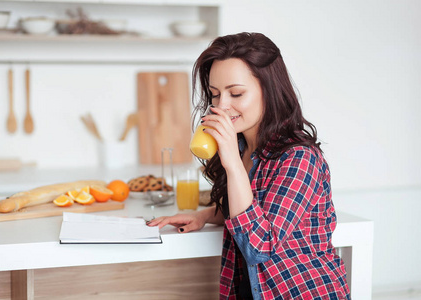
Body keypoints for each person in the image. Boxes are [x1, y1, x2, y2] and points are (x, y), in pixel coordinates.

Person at [147, 32, 350, 300]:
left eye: (236, 93)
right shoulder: (243, 147)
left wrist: (231, 161)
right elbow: (257, 206)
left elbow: (259, 246)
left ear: (269, 91)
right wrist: (207, 215)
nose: (222, 106)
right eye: (215, 94)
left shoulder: (300, 158)